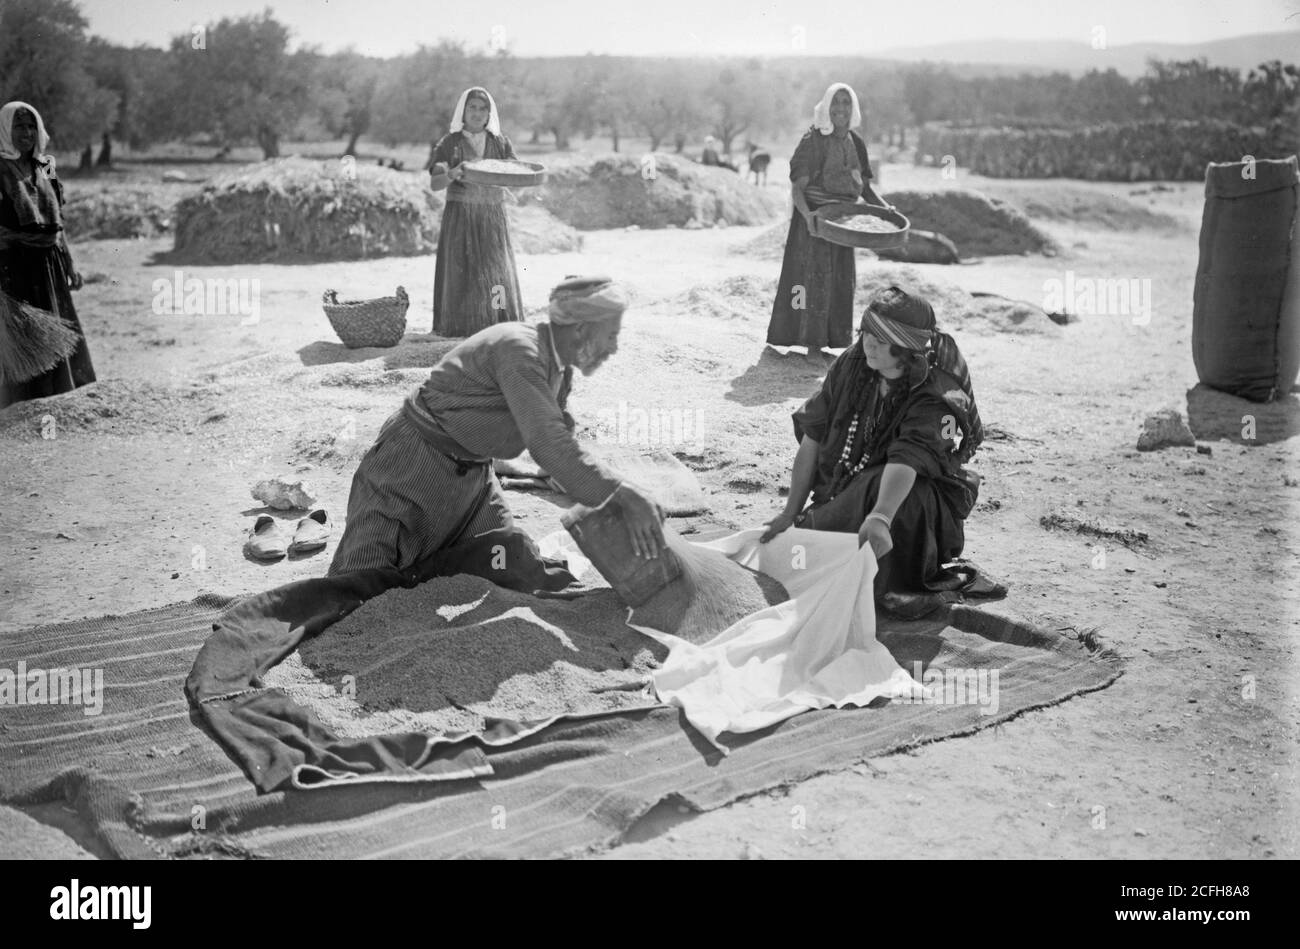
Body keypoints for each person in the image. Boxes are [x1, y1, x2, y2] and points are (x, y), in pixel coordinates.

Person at [330, 276, 666, 577]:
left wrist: (607, 499)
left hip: (472, 484)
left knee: (505, 561)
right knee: (362, 581)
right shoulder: (519, 349)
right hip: (412, 465)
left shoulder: (559, 370)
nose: (613, 348)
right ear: (581, 330)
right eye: (611, 335)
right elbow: (549, 446)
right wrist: (622, 494)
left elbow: (561, 439)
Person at [760, 287, 994, 615]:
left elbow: (907, 459)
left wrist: (881, 516)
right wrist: (789, 513)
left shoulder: (934, 392)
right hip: (848, 497)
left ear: (907, 348)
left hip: (908, 512)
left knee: (904, 494)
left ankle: (902, 585)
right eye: (866, 333)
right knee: (793, 554)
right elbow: (813, 436)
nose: (869, 343)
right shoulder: (854, 364)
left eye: (881, 339)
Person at [765, 83, 890, 359]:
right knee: (811, 279)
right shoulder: (813, 141)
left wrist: (886, 209)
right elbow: (798, 187)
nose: (841, 109)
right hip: (815, 221)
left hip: (844, 222)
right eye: (836, 102)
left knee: (841, 280)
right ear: (826, 106)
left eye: (846, 102)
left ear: (853, 107)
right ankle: (810, 345)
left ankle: (832, 342)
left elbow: (866, 188)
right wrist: (808, 216)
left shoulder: (856, 143)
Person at [0, 101, 94, 409]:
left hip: (50, 262)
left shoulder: (47, 164)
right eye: (19, 126)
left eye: (31, 126)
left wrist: (70, 262)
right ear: (5, 130)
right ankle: (24, 405)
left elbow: (59, 219)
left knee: (57, 327)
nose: (26, 133)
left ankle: (60, 398)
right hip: (15, 262)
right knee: (22, 335)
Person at [427, 87, 524, 337]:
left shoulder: (500, 142)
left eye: (483, 109)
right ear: (463, 110)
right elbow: (435, 183)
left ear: (489, 113)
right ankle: (461, 326)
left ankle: (497, 320)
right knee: (462, 269)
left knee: (496, 271)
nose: (477, 113)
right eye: (472, 107)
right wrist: (452, 173)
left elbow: (517, 175)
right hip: (460, 215)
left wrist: (514, 186)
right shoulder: (450, 143)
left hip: (492, 215)